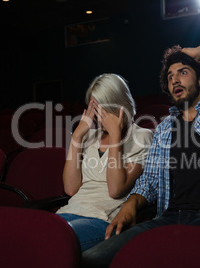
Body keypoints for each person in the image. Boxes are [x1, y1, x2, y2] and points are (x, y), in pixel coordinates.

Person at [82, 27, 200, 267]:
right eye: (170, 77)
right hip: (169, 219)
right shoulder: (165, 129)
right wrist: (130, 204)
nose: (175, 79)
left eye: (183, 72)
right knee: (92, 258)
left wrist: (196, 53)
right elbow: (149, 182)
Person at [56, 73, 153, 252]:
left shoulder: (141, 137)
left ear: (119, 105)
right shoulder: (90, 137)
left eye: (103, 109)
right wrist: (77, 136)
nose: (98, 117)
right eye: (94, 108)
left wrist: (115, 136)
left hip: (102, 219)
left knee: (52, 242)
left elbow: (116, 189)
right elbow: (70, 189)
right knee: (28, 233)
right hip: (68, 212)